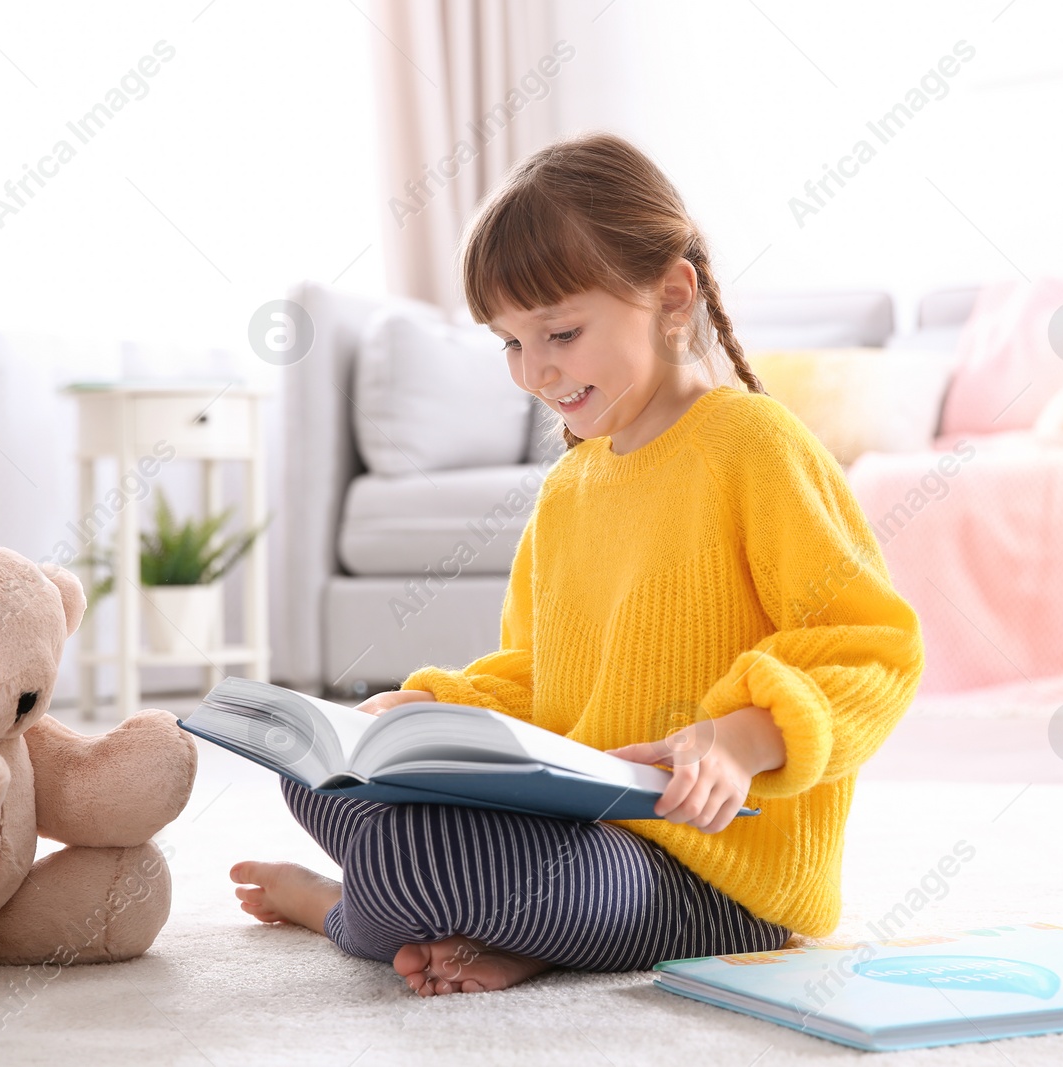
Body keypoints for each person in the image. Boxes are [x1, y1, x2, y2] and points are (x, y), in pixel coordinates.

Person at [231, 131, 924, 997]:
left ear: (672, 296)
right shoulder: (568, 488)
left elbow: (873, 645)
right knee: (324, 784)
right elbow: (536, 678)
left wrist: (740, 740)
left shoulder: (753, 443)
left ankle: (346, 909)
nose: (536, 371)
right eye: (511, 343)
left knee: (420, 859)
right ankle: (485, 920)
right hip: (580, 833)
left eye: (559, 331)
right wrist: (422, 711)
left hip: (718, 876)